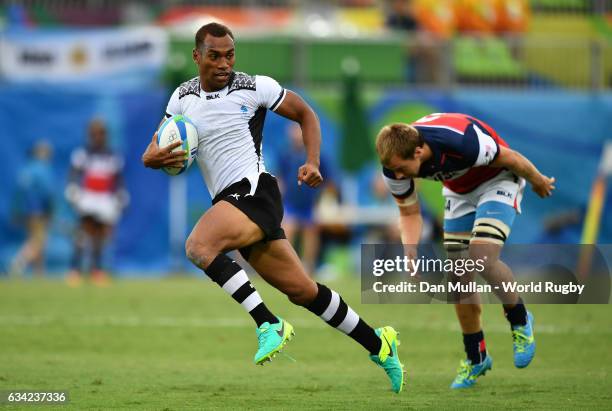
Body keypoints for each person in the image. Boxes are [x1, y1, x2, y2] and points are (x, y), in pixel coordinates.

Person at [142, 22, 404, 393]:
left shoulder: (254, 87)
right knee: (303, 291)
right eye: (214, 56)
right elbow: (158, 147)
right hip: (230, 202)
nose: (223, 63)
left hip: (254, 191)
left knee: (199, 246)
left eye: (229, 55)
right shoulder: (181, 97)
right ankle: (379, 343)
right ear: (196, 56)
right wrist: (150, 158)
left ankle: (268, 323)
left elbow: (306, 114)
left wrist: (312, 161)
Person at [375, 113, 555, 389]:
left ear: (419, 151)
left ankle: (519, 319)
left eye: (402, 168)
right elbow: (409, 211)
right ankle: (476, 357)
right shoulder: (394, 165)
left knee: (481, 258)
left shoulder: (461, 141)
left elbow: (512, 158)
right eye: (393, 170)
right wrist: (410, 249)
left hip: (498, 180)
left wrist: (537, 179)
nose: (397, 175)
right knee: (459, 278)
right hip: (458, 192)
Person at [65, 118, 128, 286]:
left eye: (101, 133)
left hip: (104, 199)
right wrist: (72, 188)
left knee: (100, 238)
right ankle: (75, 270)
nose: (98, 137)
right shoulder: (83, 154)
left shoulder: (112, 155)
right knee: (83, 235)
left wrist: (121, 193)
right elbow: (74, 173)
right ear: (90, 135)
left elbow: (118, 178)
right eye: (95, 134)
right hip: (88, 197)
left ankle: (97, 270)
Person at [10, 140, 55, 276]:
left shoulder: (25, 169)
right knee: (39, 242)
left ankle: (39, 273)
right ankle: (19, 262)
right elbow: (48, 193)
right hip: (39, 211)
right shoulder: (43, 170)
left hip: (26, 211)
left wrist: (16, 211)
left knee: (34, 240)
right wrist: (51, 212)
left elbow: (18, 193)